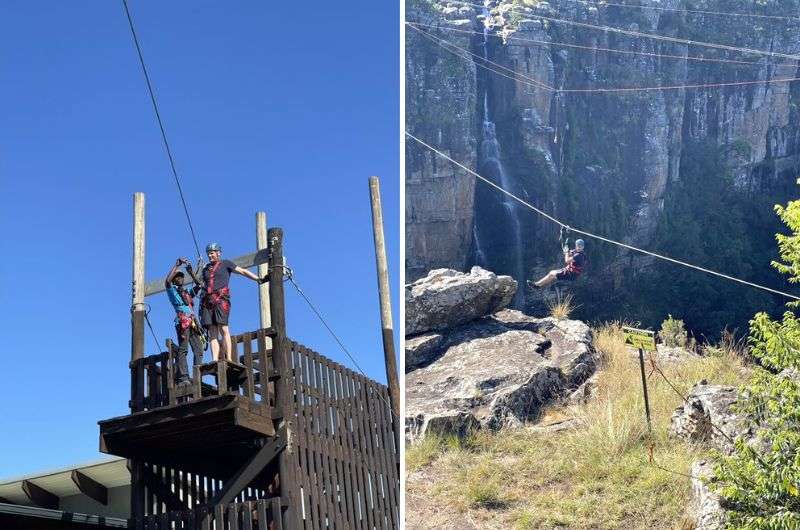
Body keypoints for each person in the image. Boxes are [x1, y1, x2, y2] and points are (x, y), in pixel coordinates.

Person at [201, 242, 267, 363]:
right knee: (212, 331)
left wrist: (257, 278)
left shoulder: (226, 264)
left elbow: (242, 271)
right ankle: (215, 359)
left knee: (224, 328)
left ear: (218, 253)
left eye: (212, 253)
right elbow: (203, 285)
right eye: (208, 254)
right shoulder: (206, 269)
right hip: (208, 301)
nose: (210, 256)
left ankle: (229, 358)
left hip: (220, 299)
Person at [165, 258, 206, 385]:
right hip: (183, 322)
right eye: (177, 277)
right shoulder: (173, 292)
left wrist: (191, 273)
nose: (180, 279)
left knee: (198, 349)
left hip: (193, 323)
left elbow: (199, 286)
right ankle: (184, 378)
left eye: (182, 277)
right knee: (184, 349)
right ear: (174, 280)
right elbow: (167, 282)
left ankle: (197, 377)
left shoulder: (186, 292)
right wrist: (176, 265)